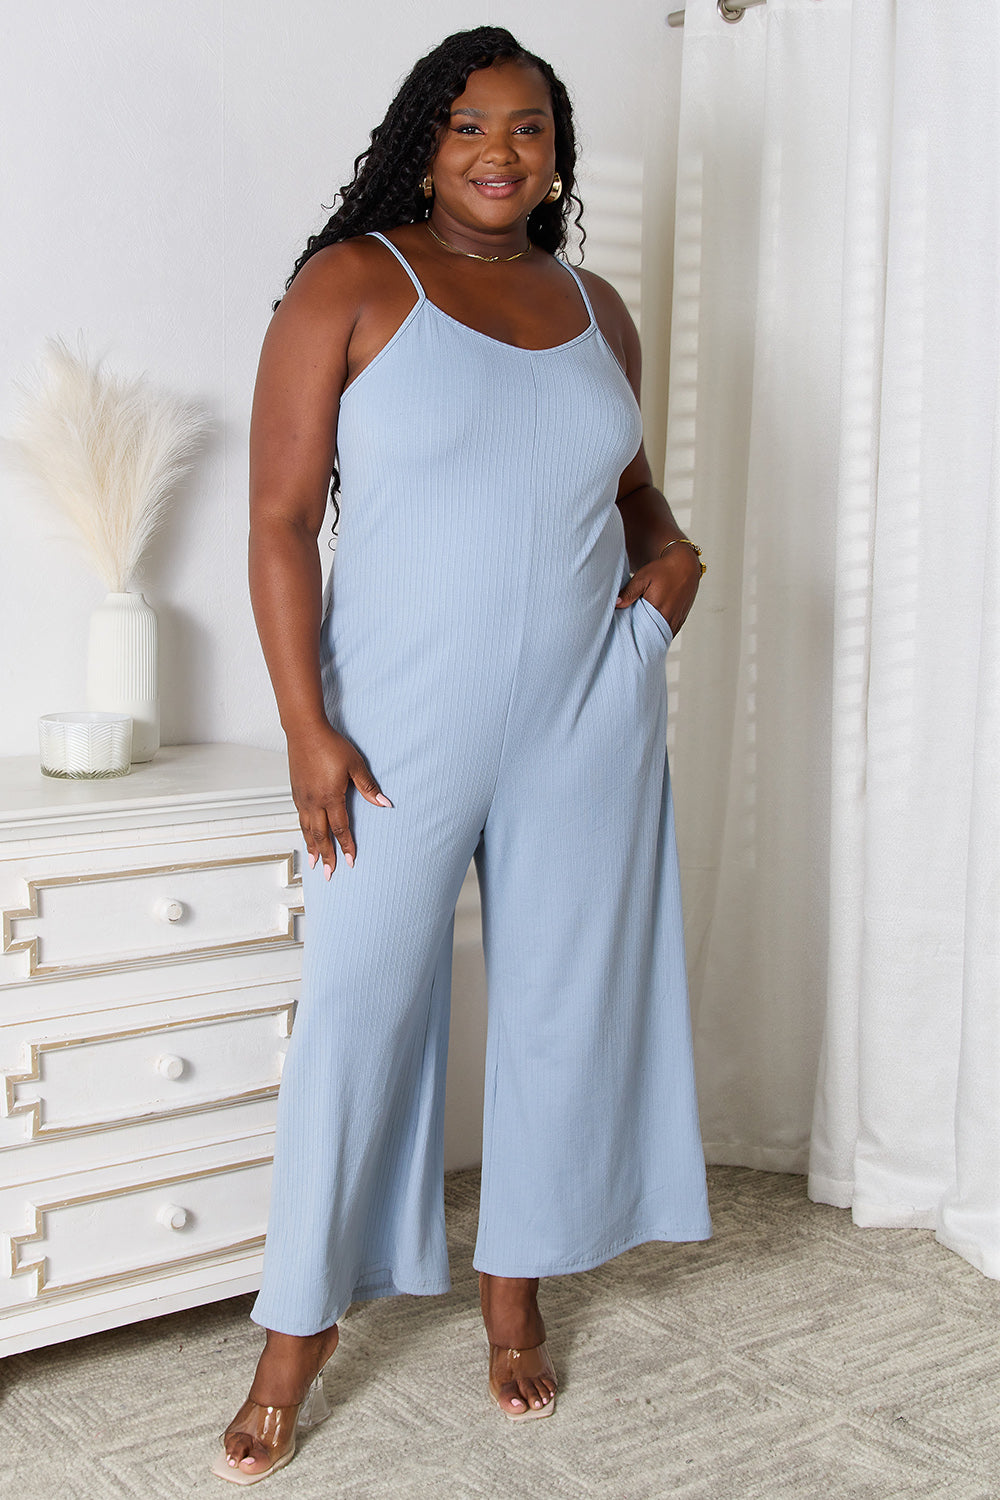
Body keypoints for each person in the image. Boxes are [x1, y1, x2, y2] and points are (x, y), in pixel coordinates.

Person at [213, 25, 711, 1485]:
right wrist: (309, 722)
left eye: (532, 128)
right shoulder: (354, 283)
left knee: (563, 1014)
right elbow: (277, 522)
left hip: (582, 718)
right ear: (423, 140)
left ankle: (515, 1305)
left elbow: (628, 494)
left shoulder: (599, 307)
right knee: (360, 1016)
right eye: (470, 126)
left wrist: (670, 575)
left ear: (558, 151)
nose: (502, 152)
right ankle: (292, 1344)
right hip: (392, 732)